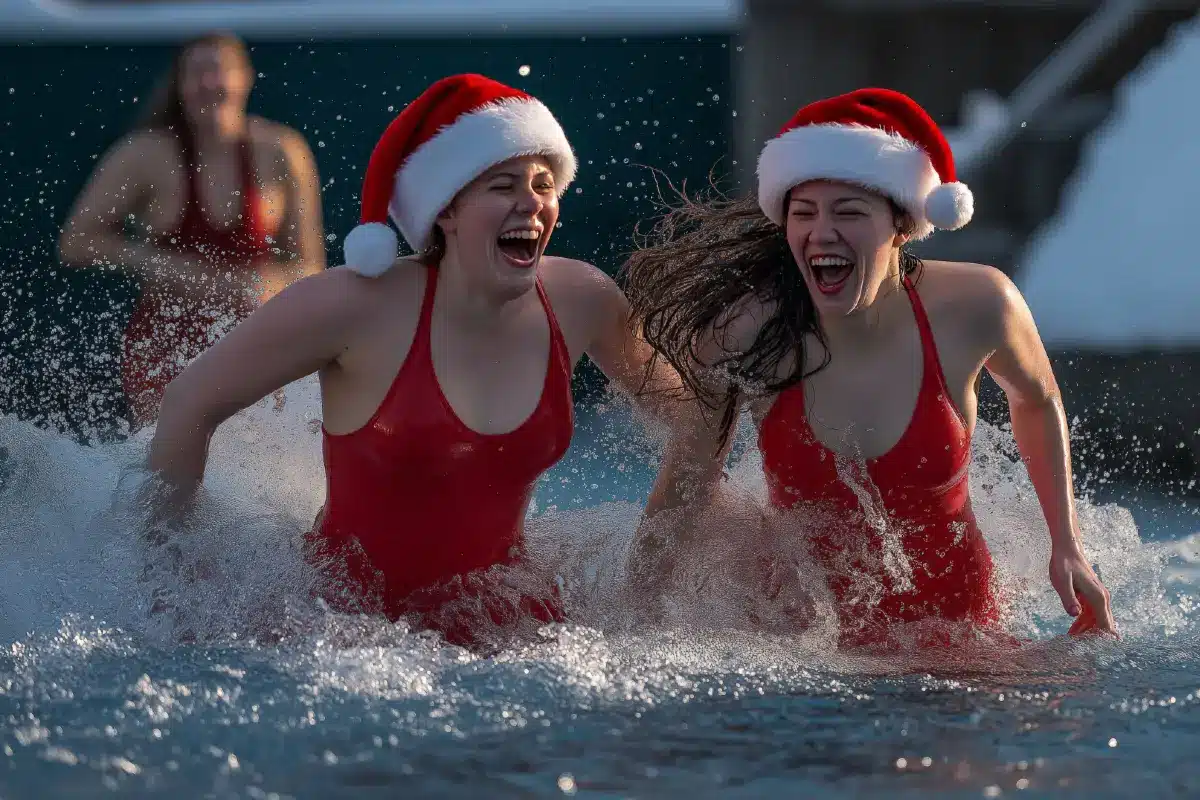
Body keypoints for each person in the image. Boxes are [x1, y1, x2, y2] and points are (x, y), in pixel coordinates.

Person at [145, 74, 669, 650]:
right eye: (503, 185)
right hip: (344, 635)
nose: (532, 203)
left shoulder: (581, 299)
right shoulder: (353, 305)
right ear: (445, 210)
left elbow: (695, 416)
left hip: (510, 626)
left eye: (545, 184)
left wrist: (654, 579)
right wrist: (165, 583)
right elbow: (188, 402)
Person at [621, 88, 1117, 648]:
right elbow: (685, 486)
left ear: (901, 226)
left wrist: (1065, 543)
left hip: (958, 631)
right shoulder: (747, 331)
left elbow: (1037, 400)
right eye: (803, 213)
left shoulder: (977, 306)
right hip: (804, 647)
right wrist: (630, 620)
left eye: (849, 212)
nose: (822, 232)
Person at [58, 32, 326, 428]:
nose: (209, 84)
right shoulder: (145, 154)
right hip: (165, 344)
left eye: (219, 71)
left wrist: (261, 286)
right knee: (170, 473)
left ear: (245, 79)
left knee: (250, 471)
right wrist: (170, 269)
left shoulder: (282, 151)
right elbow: (75, 242)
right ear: (180, 86)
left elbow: (310, 269)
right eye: (197, 73)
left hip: (254, 342)